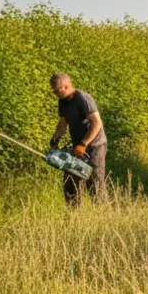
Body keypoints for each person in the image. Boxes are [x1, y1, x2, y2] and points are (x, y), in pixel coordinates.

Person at [48, 72, 107, 206]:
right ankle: (74, 214)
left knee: (94, 182)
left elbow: (97, 123)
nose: (56, 93)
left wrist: (83, 143)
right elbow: (63, 123)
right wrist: (56, 138)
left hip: (95, 146)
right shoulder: (62, 101)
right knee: (70, 180)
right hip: (77, 147)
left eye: (58, 90)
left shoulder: (83, 98)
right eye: (54, 91)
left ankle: (101, 212)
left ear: (67, 85)